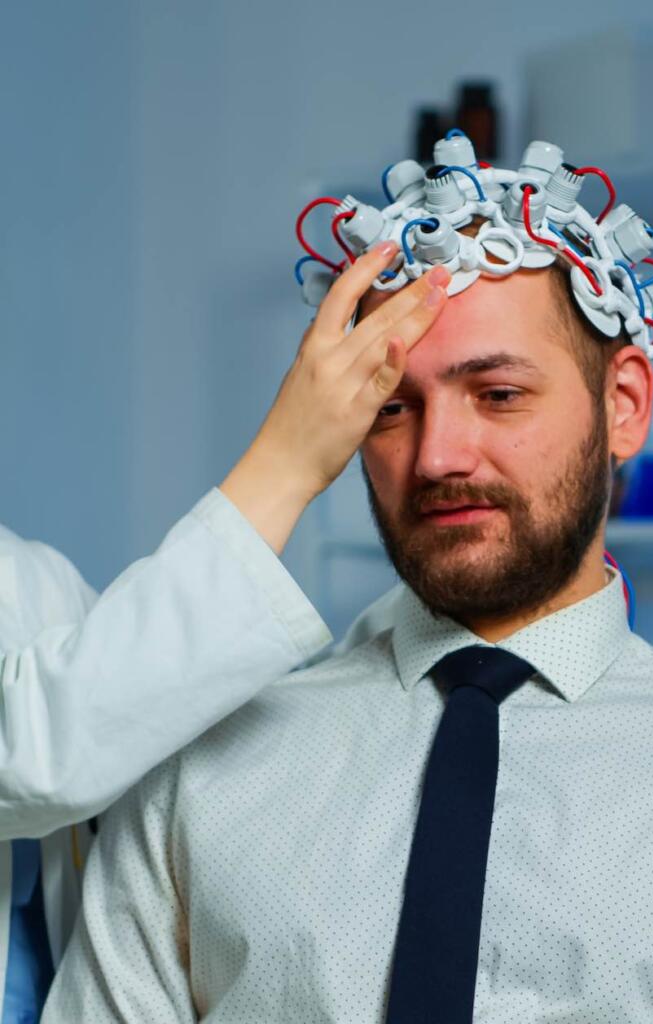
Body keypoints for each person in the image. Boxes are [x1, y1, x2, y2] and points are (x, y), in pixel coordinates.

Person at [42, 149, 653, 1023]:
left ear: (624, 405)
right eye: (390, 408)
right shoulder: (199, 775)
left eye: (499, 392)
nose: (439, 456)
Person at [0, 243, 445, 1024]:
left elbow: (163, 713)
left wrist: (422, 641)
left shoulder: (26, 576)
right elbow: (40, 751)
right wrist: (285, 462)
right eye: (396, 407)